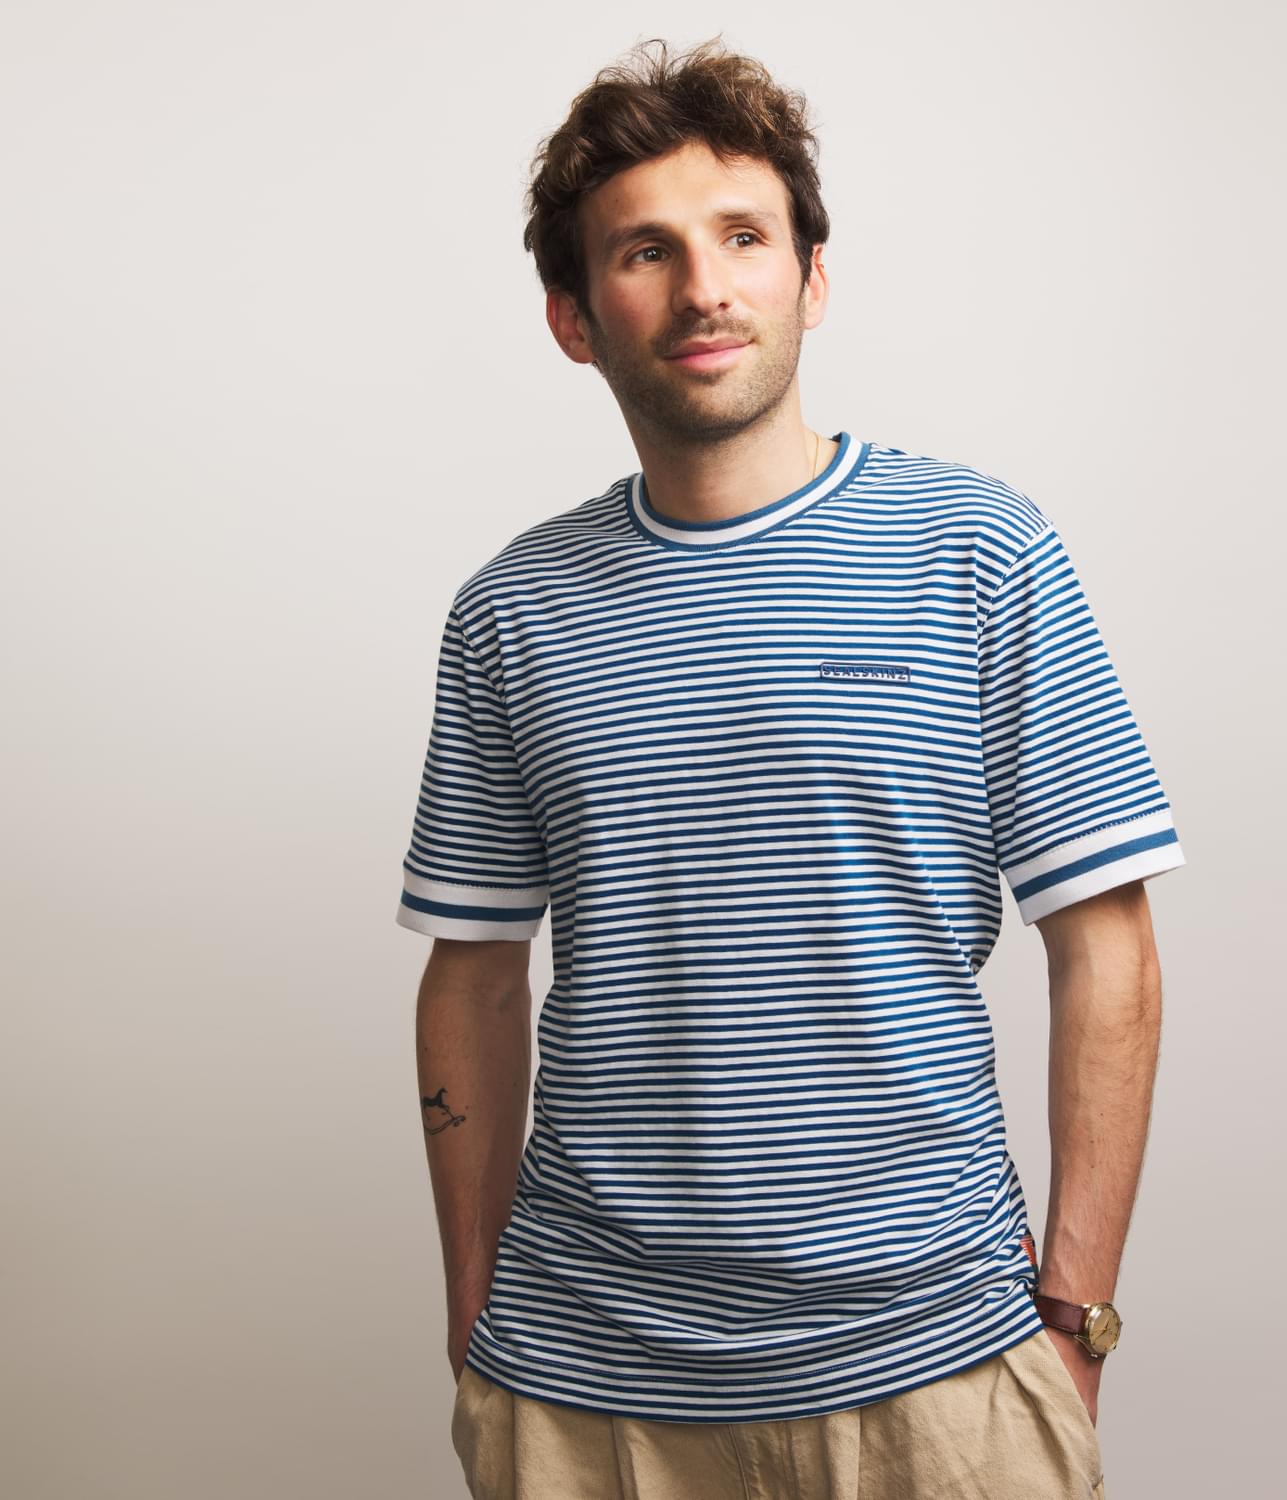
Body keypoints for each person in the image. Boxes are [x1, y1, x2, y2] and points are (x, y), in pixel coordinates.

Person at [396, 35, 1184, 1500]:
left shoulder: (979, 552)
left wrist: (1077, 1315)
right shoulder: (513, 610)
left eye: (744, 237)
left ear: (812, 278)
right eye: (646, 251)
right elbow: (474, 977)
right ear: (574, 317)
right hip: (584, 1386)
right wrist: (472, 1309)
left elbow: (1107, 944)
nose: (705, 287)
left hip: (941, 1365)